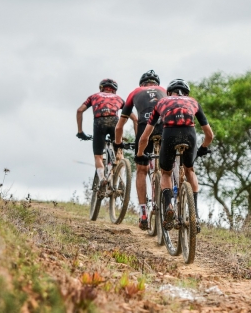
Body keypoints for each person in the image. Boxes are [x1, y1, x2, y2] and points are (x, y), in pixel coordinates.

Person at [136, 79, 214, 228]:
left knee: (166, 173)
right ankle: (195, 215)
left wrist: (140, 154)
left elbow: (145, 136)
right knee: (190, 170)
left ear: (169, 92)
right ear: (186, 93)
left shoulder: (162, 102)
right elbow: (209, 135)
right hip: (189, 135)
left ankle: (169, 206)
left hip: (169, 134)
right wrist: (203, 148)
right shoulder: (193, 102)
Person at [114, 70, 167, 229]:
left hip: (145, 128)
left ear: (141, 84)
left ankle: (143, 211)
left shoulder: (135, 93)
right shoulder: (164, 90)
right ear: (156, 84)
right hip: (166, 128)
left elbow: (120, 125)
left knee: (141, 170)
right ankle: (170, 201)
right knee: (166, 170)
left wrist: (118, 144)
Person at [76, 78, 137, 185]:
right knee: (119, 152)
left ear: (101, 88)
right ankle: (122, 179)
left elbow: (79, 110)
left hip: (99, 122)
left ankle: (102, 178)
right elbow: (135, 118)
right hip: (115, 122)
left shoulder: (94, 96)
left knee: (98, 156)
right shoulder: (119, 98)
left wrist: (80, 132)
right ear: (114, 90)